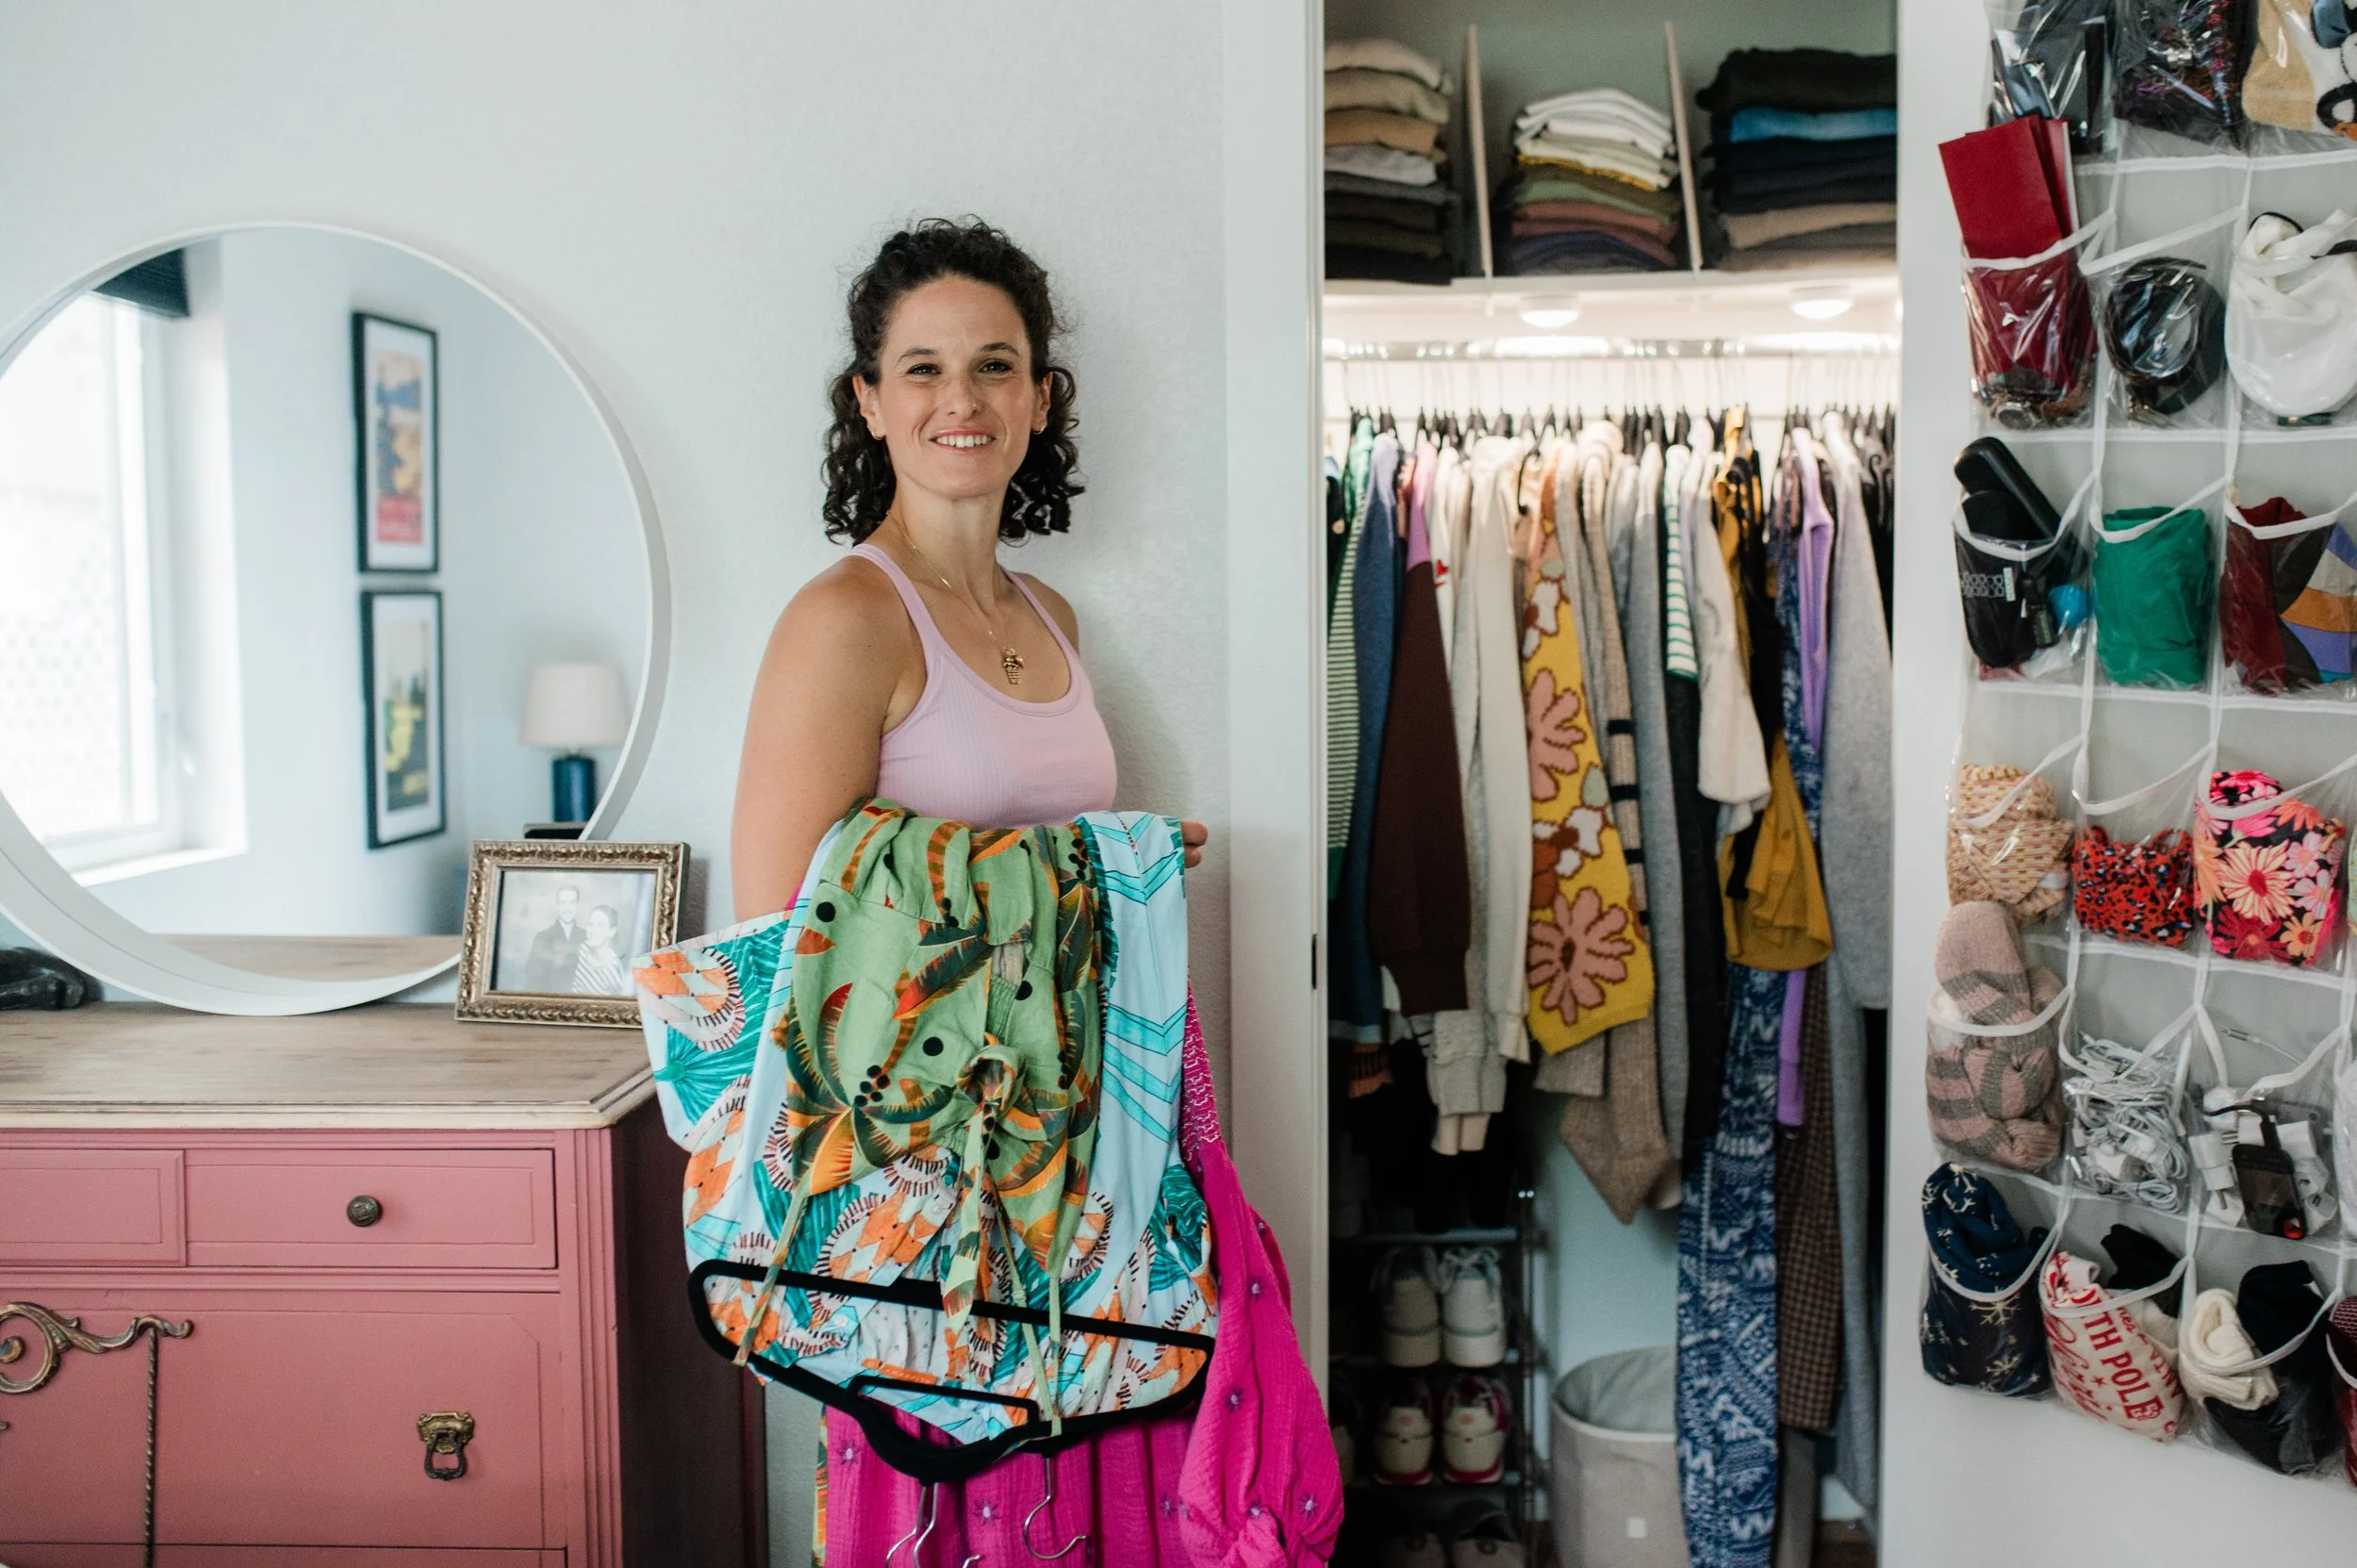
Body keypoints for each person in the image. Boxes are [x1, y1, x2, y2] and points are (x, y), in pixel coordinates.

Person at [728, 219, 1208, 1558]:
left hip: (1081, 1159)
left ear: (1042, 396)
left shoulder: (1049, 617)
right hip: (921, 1182)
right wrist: (1084, 868)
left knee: (1094, 1488)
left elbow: (1033, 851)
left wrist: (1128, 866)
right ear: (869, 400)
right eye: (924, 367)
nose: (963, 400)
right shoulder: (846, 618)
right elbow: (787, 926)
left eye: (996, 366)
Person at [518, 883, 583, 992]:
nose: (568, 908)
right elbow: (533, 975)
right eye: (563, 903)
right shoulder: (543, 937)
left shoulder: (586, 936)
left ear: (577, 905)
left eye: (572, 902)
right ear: (557, 905)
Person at [569, 903, 627, 996]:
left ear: (612, 931)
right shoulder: (581, 950)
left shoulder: (614, 971)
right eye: (590, 924)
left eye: (601, 926)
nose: (593, 931)